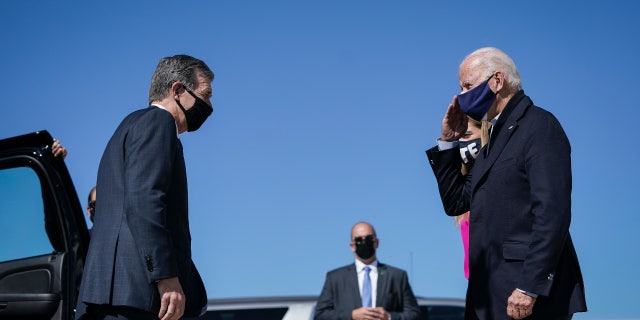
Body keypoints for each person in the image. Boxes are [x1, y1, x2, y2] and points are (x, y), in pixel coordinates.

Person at [426, 47, 587, 320]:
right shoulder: (495, 138)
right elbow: (457, 202)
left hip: (525, 297)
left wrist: (529, 287)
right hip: (487, 295)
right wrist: (447, 143)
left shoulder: (539, 126)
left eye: (467, 85)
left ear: (497, 81)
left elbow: (551, 213)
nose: (461, 95)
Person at [75, 54, 214, 320]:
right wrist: (165, 275)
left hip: (113, 295)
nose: (209, 105)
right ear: (176, 90)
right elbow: (145, 200)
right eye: (205, 94)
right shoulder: (158, 123)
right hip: (141, 295)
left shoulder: (128, 126)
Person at [314, 221, 421, 320]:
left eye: (368, 239)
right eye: (359, 240)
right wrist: (351, 315)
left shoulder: (397, 276)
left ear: (376, 242)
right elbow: (320, 315)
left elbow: (414, 314)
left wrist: (389, 317)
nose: (364, 243)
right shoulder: (335, 278)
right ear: (352, 246)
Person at [454, 116, 489, 280]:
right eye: (458, 137)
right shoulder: (465, 189)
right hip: (477, 285)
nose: (461, 141)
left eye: (466, 135)